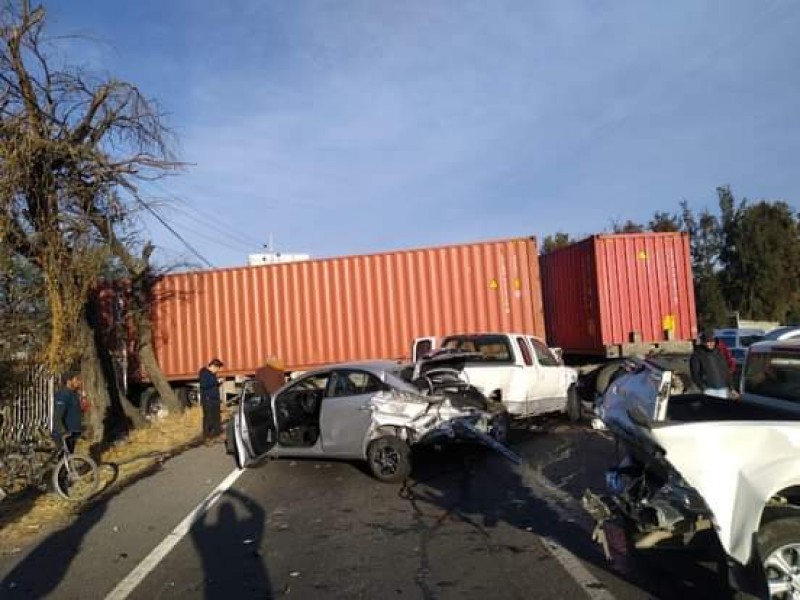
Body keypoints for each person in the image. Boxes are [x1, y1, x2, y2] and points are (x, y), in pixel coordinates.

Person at [690, 329, 739, 400]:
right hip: (709, 390)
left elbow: (726, 371)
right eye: (708, 342)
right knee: (710, 410)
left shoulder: (719, 353)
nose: (710, 344)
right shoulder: (697, 355)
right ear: (703, 342)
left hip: (722, 389)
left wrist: (732, 388)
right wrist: (703, 388)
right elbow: (695, 374)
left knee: (721, 410)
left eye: (712, 341)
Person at [52, 371, 83, 453]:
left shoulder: (74, 394)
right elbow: (58, 415)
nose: (79, 382)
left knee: (68, 458)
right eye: (76, 379)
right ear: (69, 381)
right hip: (64, 433)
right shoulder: (63, 394)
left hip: (72, 433)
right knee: (64, 459)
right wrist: (62, 431)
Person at [199, 358, 224, 444]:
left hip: (215, 400)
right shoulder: (204, 373)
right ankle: (207, 438)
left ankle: (218, 435)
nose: (217, 370)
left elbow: (212, 384)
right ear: (213, 366)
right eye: (217, 368)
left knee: (217, 418)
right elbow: (205, 385)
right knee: (208, 419)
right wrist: (216, 381)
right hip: (208, 400)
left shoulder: (212, 374)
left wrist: (218, 382)